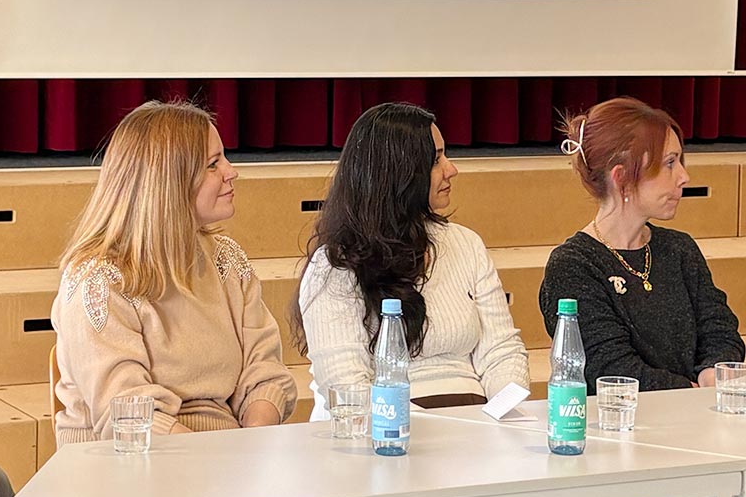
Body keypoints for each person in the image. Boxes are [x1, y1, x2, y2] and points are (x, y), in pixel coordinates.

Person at [50, 100, 296, 443]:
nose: (231, 171)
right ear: (169, 181)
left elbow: (263, 372)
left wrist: (252, 443)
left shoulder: (226, 259)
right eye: (213, 164)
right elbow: (127, 413)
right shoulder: (98, 281)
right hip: (127, 460)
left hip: (222, 453)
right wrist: (217, 458)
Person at [295, 102, 529, 413]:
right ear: (399, 173)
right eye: (435, 160)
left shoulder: (466, 244)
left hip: (474, 418)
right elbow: (347, 385)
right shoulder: (334, 266)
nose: (451, 169)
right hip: (387, 426)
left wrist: (499, 412)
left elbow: (502, 351)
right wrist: (432, 430)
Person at [539, 97, 744, 392]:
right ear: (622, 177)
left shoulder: (679, 248)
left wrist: (714, 371)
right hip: (621, 415)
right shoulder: (573, 266)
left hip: (695, 407)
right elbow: (610, 369)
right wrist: (693, 393)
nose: (684, 177)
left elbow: (719, 328)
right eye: (669, 163)